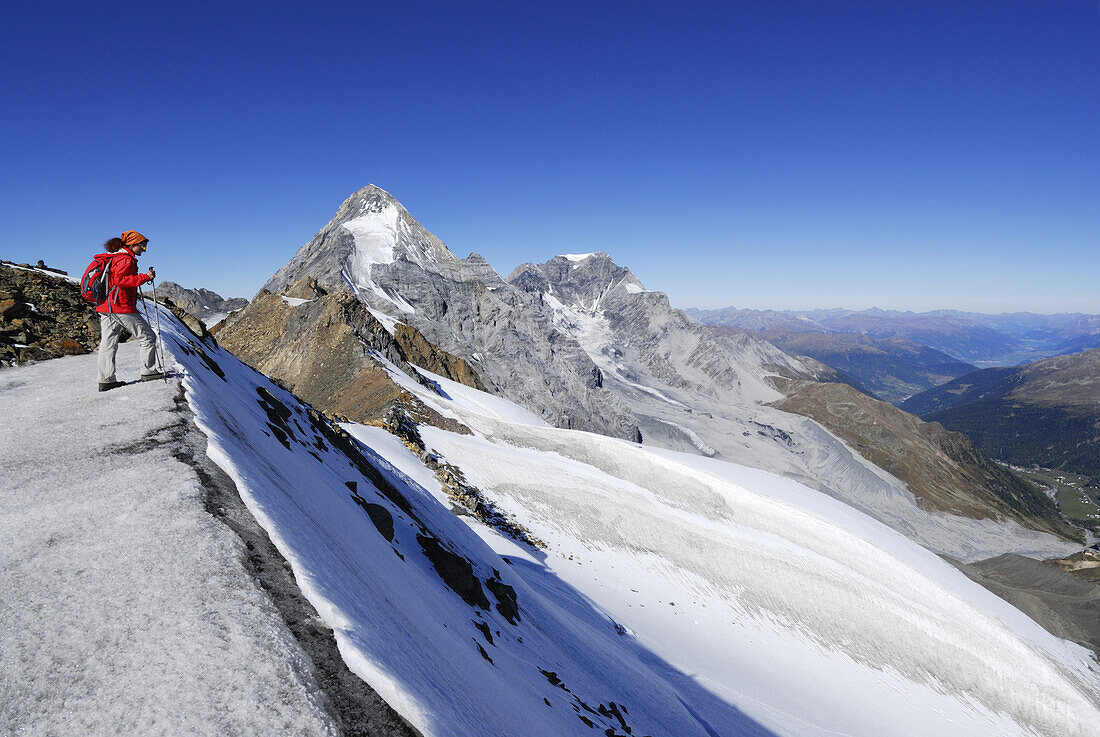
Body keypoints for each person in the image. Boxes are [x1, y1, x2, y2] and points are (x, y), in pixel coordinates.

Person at [95, 230, 168, 391]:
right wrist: (145, 277)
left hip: (106, 305)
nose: (144, 249)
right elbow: (121, 280)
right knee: (148, 336)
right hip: (120, 305)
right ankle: (148, 371)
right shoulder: (125, 259)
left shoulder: (115, 257)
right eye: (142, 246)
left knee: (108, 342)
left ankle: (106, 380)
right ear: (132, 244)